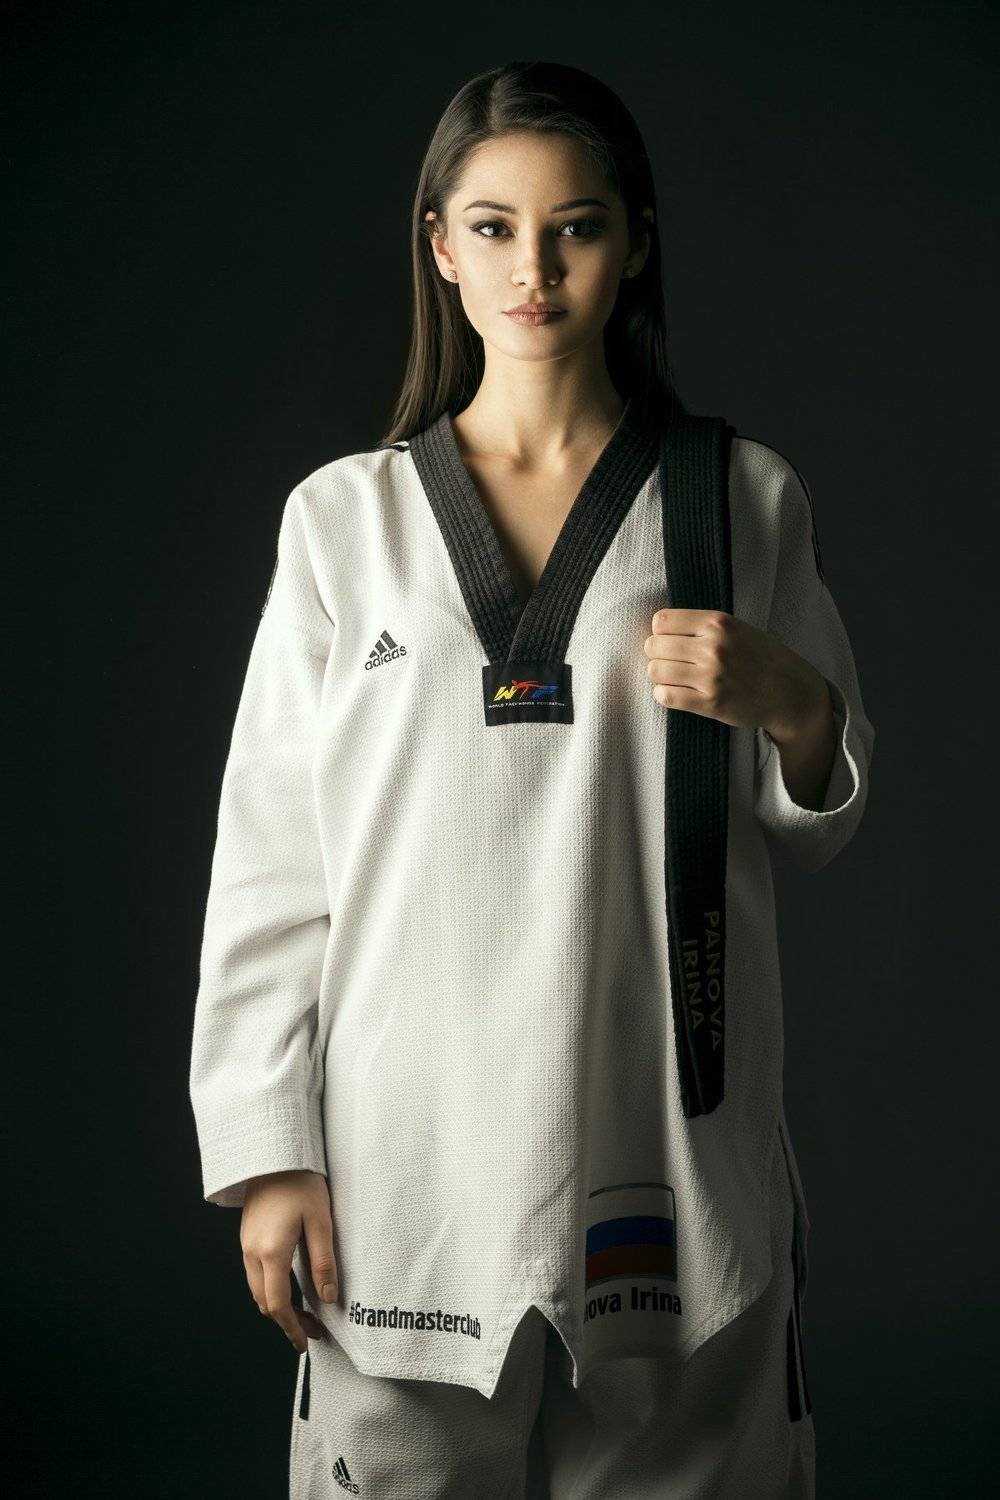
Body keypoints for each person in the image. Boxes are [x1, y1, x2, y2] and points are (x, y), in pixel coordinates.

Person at [189, 59, 874, 1500]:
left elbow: (817, 807)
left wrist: (795, 702)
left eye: (577, 227)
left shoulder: (736, 499)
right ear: (440, 247)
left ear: (635, 243)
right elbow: (271, 859)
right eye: (494, 227)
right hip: (403, 1156)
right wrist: (268, 1153)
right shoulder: (346, 523)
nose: (535, 269)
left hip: (664, 1141)